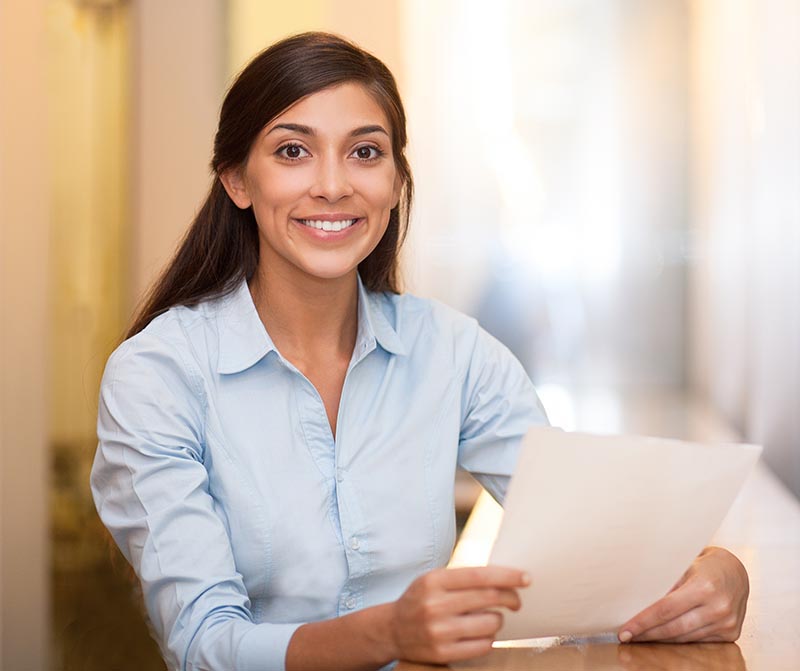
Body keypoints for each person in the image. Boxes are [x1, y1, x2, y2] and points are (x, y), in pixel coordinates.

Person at [91, 32, 750, 671]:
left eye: (365, 153)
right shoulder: (158, 376)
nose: (331, 185)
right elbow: (206, 645)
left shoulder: (453, 353)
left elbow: (593, 545)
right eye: (293, 151)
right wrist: (389, 631)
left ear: (397, 179)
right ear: (237, 180)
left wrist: (712, 572)